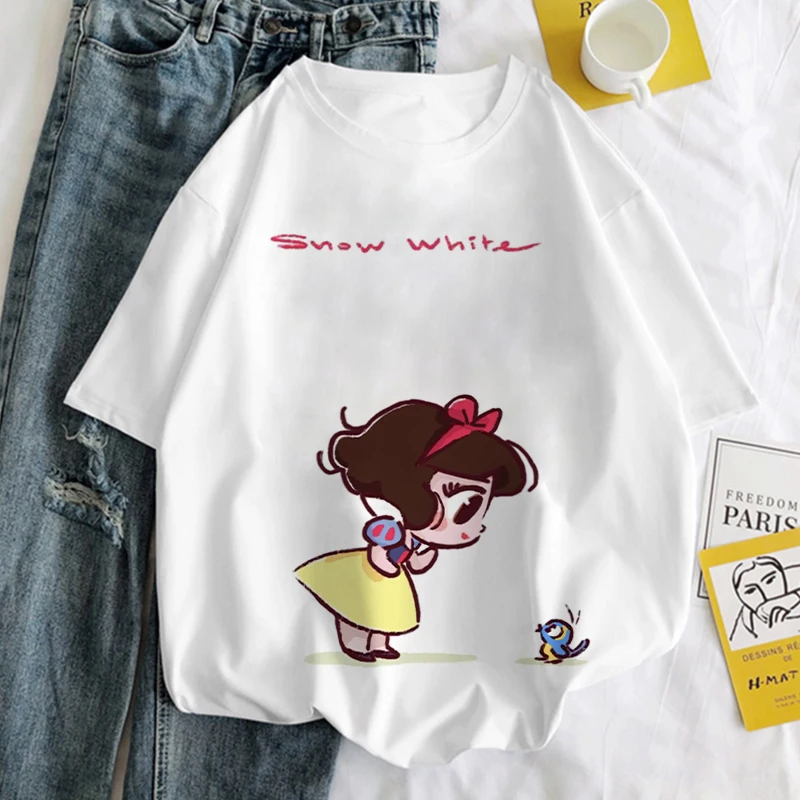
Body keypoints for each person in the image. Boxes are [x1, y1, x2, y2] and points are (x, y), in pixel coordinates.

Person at [295, 394, 538, 662]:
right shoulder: (388, 530)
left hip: (390, 575)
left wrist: (421, 556)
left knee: (387, 612)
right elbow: (379, 555)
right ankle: (355, 644)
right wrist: (392, 559)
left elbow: (415, 562)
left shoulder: (412, 538)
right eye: (467, 505)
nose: (474, 525)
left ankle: (379, 642)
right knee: (355, 609)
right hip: (366, 573)